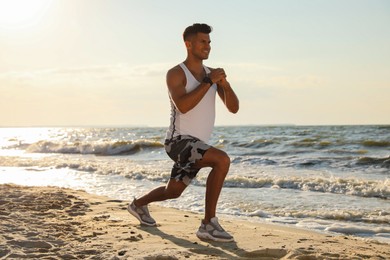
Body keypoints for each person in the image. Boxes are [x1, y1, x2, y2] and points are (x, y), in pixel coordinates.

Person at [127, 23, 239, 242]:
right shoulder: (177, 74)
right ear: (188, 44)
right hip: (178, 142)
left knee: (174, 191)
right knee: (222, 160)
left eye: (209, 42)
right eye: (202, 42)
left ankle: (138, 205)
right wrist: (208, 82)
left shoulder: (212, 75)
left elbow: (233, 108)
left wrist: (224, 84)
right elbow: (183, 106)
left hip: (196, 145)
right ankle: (208, 224)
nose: (207, 46)